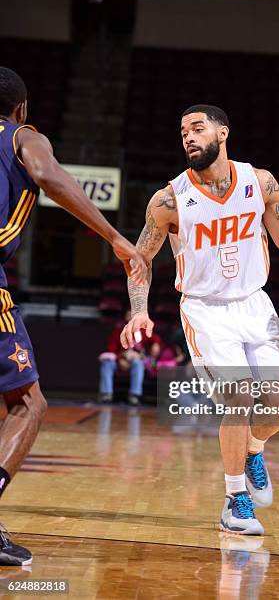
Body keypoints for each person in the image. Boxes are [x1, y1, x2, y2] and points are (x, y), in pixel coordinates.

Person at [120, 104, 279, 535]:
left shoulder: (259, 182)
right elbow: (141, 258)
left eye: (197, 128)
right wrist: (139, 310)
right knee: (240, 397)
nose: (188, 137)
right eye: (182, 131)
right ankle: (235, 501)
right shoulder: (168, 200)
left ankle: (252, 451)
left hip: (253, 303)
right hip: (205, 309)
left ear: (222, 132)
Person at [0, 67, 146, 565]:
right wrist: (114, 237)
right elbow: (47, 175)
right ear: (22, 108)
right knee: (28, 404)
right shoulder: (22, 135)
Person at [98, 310, 162, 404]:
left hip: (135, 362)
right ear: (125, 317)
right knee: (107, 363)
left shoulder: (143, 332)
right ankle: (106, 394)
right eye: (129, 315)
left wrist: (156, 344)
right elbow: (111, 350)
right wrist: (120, 358)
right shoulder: (118, 331)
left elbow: (155, 338)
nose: (131, 318)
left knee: (138, 364)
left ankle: (134, 395)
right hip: (119, 361)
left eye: (134, 315)